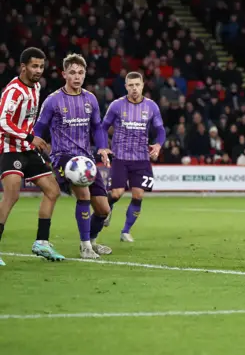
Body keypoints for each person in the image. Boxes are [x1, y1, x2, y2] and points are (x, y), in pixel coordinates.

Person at [33, 53, 113, 259]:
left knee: (103, 209)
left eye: (80, 73)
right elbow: (39, 127)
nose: (77, 77)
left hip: (86, 158)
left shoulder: (90, 99)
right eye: (72, 73)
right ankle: (85, 246)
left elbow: (97, 127)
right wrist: (35, 144)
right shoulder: (53, 100)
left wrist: (103, 148)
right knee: (84, 195)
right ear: (64, 74)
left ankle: (92, 241)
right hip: (63, 157)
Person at [0, 47, 65, 265]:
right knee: (12, 195)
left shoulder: (36, 87)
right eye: (34, 66)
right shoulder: (13, 91)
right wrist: (30, 137)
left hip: (29, 148)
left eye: (41, 66)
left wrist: (36, 139)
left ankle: (42, 243)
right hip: (11, 149)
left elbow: (29, 119)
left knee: (53, 190)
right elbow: (2, 121)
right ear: (23, 67)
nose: (38, 70)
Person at [102, 72, 165, 242]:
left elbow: (160, 130)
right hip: (120, 156)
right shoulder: (116, 105)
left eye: (137, 85)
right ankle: (106, 209)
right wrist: (103, 147)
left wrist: (158, 145)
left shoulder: (151, 107)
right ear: (126, 87)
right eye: (131, 85)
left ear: (143, 85)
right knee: (116, 193)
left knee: (138, 195)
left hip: (141, 158)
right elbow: (103, 127)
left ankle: (125, 231)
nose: (134, 88)